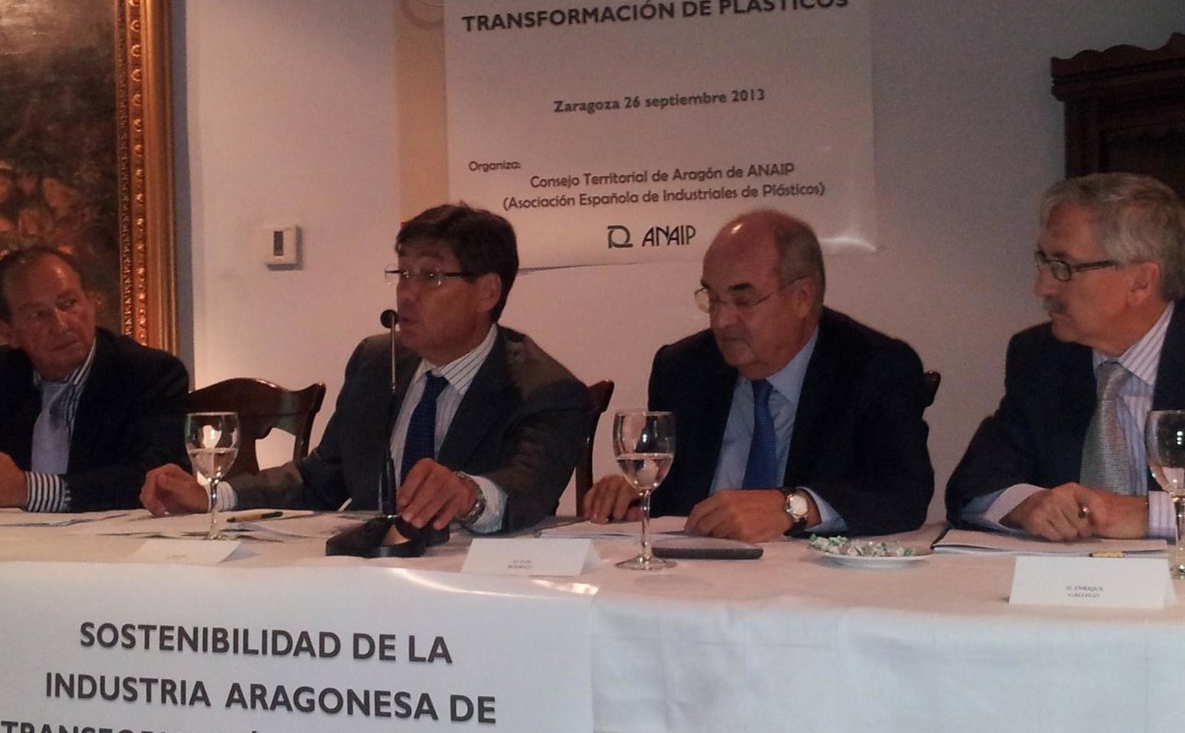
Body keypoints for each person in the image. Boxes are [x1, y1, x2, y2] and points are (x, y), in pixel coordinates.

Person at [140, 203, 590, 535]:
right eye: (403, 273)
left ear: (487, 292)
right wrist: (215, 495)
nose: (407, 293)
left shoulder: (544, 388)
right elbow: (322, 477)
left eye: (431, 276)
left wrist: (467, 494)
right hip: (364, 577)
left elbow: (527, 490)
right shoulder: (377, 362)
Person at [583, 210, 933, 542]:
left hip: (815, 576)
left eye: (743, 301)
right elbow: (664, 484)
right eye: (713, 299)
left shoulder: (872, 366)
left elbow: (903, 492)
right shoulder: (683, 368)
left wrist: (793, 507)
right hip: (696, 572)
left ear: (802, 298)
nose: (722, 322)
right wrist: (632, 494)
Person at [946, 173, 1185, 541]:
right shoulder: (1042, 357)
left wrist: (1147, 515)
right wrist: (1027, 504)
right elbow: (973, 486)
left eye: (1064, 267)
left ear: (1140, 281)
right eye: (1043, 262)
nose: (1042, 286)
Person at [0, 246, 189, 512]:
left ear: (91, 303)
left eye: (69, 304)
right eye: (38, 314)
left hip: (115, 538)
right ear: (8, 332)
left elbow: (157, 480)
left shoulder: (149, 374)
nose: (61, 325)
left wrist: (28, 490)